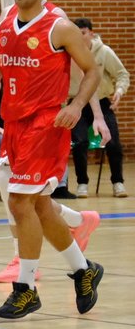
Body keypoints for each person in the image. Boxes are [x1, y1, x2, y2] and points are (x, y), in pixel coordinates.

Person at [0, 0, 104, 319]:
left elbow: (92, 71)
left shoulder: (60, 27)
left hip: (47, 124)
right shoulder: (3, 25)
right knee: (39, 206)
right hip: (14, 124)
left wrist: (75, 107)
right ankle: (83, 269)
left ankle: (25, 289)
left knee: (19, 203)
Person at [70, 19, 128, 198]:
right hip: (77, 103)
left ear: (91, 34)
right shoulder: (69, 54)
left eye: (84, 33)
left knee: (113, 143)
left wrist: (119, 91)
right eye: (77, 33)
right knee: (79, 142)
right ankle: (82, 183)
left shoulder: (104, 52)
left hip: (102, 103)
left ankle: (117, 182)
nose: (80, 37)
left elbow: (122, 74)